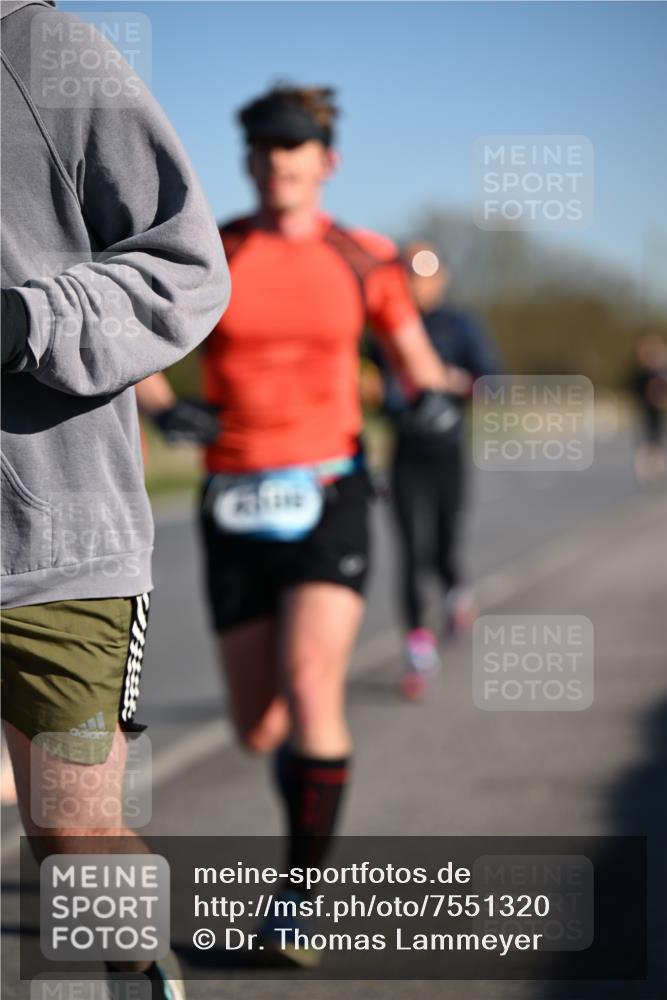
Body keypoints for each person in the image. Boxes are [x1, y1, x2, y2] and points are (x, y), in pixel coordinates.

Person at [190, 84, 456, 965]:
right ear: (249, 160)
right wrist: (163, 409)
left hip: (329, 488)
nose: (277, 163)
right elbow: (139, 347)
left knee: (313, 688)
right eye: (262, 149)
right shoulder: (210, 252)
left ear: (325, 161)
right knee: (259, 726)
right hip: (231, 491)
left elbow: (412, 359)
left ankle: (295, 903)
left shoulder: (363, 256)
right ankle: (297, 787)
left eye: (293, 149)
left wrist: (427, 405)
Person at [0, 3, 230, 996]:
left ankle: (148, 972)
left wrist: (28, 316)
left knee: (73, 836)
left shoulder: (44, 51)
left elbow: (187, 267)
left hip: (55, 541)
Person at [371, 241, 501, 699]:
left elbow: (493, 383)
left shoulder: (459, 325)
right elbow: (353, 373)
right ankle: (418, 653)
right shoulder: (381, 325)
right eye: (409, 273)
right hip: (406, 454)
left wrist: (452, 380)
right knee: (411, 552)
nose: (417, 283)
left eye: (426, 273)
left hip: (447, 452)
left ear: (442, 277)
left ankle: (456, 593)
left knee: (444, 546)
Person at [629, 333, 667, 487]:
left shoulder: (660, 371)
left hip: (658, 413)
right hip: (646, 413)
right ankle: (646, 473)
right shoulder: (641, 374)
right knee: (647, 441)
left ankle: (657, 471)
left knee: (657, 440)